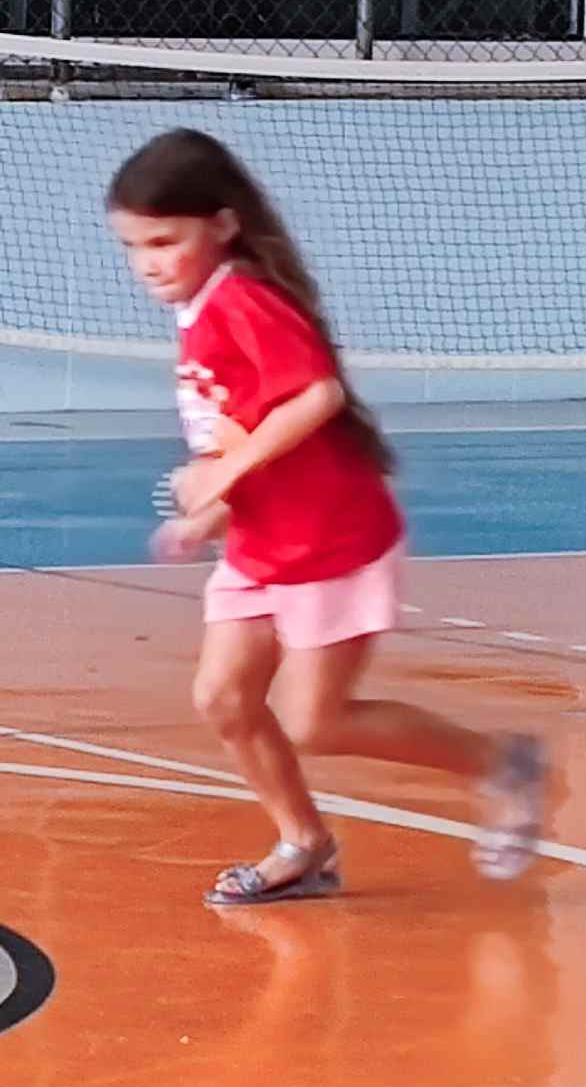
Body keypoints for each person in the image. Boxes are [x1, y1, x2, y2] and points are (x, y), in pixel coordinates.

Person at [105, 129, 548, 906]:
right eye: (132, 246)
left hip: (330, 540)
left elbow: (317, 395)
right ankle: (304, 844)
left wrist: (221, 476)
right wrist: (212, 512)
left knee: (315, 721)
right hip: (261, 541)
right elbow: (243, 428)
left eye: (164, 241)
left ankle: (501, 764)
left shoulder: (242, 298)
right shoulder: (199, 312)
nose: (147, 263)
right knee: (224, 698)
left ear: (223, 224)